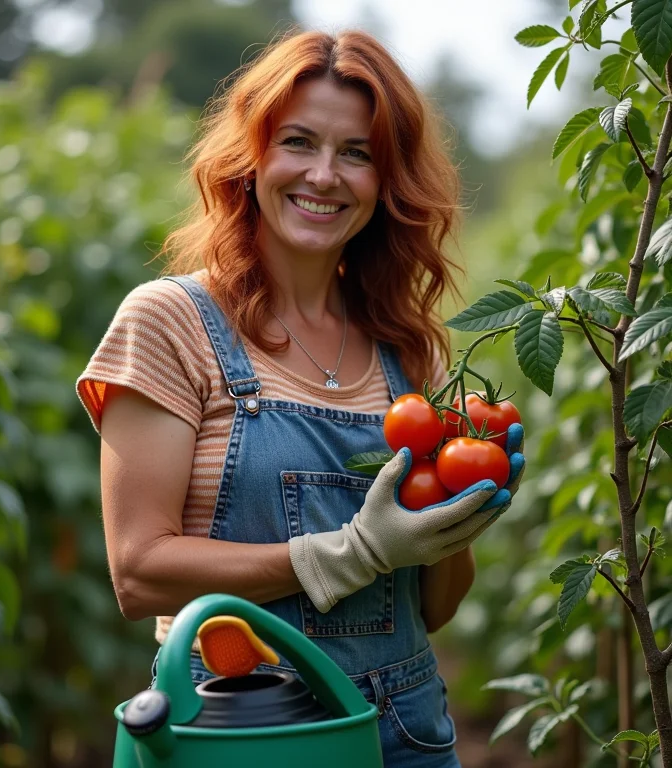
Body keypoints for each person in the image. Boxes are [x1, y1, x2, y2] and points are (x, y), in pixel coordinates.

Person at [77, 28, 524, 768]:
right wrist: (352, 552)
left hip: (407, 727)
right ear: (251, 158)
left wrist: (461, 513)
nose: (324, 175)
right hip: (242, 723)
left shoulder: (406, 350)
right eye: (298, 142)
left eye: (357, 154)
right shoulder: (170, 322)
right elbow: (138, 572)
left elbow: (434, 611)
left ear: (387, 182)